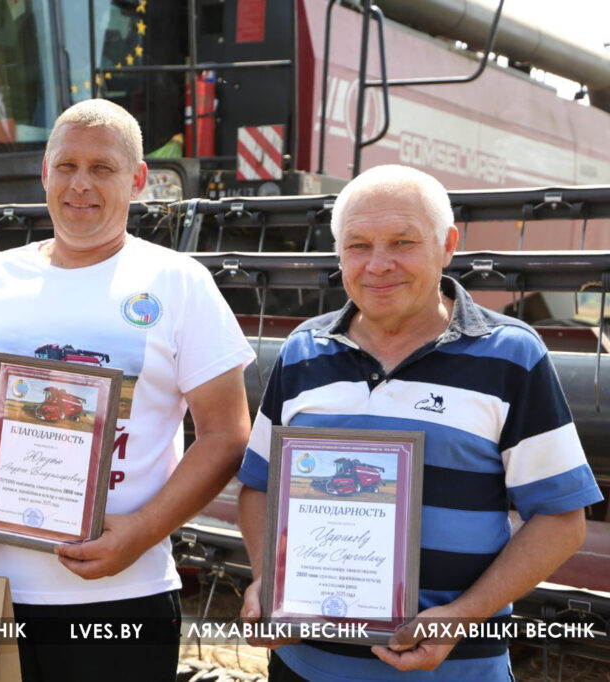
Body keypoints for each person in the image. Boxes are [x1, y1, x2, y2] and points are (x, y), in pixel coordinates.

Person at [0, 98, 254, 682]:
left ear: (138, 179)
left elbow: (226, 433)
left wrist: (143, 531)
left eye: (102, 168)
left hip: (121, 597)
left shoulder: (179, 283)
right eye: (67, 166)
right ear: (44, 172)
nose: (81, 184)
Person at [236, 164, 603, 681]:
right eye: (358, 246)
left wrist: (460, 617)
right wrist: (266, 581)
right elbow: (259, 487)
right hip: (305, 666)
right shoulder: (304, 351)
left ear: (448, 245)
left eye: (402, 242)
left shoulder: (511, 356)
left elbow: (561, 519)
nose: (378, 264)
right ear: (338, 254)